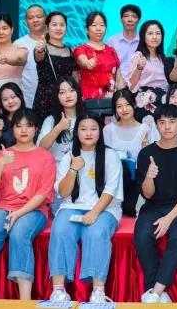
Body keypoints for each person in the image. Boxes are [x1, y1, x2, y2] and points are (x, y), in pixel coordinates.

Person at [0, 108, 56, 300]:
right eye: (19, 126)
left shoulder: (45, 156)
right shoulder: (2, 154)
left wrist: (19, 213)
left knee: (19, 234)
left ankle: (24, 301)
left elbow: (43, 194)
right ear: (12, 129)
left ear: (36, 129)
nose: (24, 130)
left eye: (29, 125)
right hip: (2, 206)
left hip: (33, 209)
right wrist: (1, 163)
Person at [48, 115, 123, 303]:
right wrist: (73, 169)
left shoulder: (111, 156)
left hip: (105, 208)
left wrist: (94, 212)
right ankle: (58, 290)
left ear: (100, 132)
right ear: (76, 133)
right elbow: (63, 192)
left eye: (93, 129)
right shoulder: (69, 157)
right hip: (72, 206)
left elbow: (110, 190)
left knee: (96, 232)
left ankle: (98, 291)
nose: (88, 133)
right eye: (83, 129)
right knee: (60, 230)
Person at [134, 104, 177, 303]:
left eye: (172, 122)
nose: (167, 127)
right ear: (156, 125)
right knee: (142, 235)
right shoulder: (146, 154)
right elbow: (147, 194)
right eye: (162, 122)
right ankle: (155, 292)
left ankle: (155, 291)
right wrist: (149, 177)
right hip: (153, 206)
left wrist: (169, 218)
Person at [38, 77, 84, 213]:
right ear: (57, 97)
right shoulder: (51, 121)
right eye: (62, 92)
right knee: (62, 212)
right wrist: (58, 128)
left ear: (78, 92)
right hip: (58, 177)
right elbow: (40, 149)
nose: (68, 95)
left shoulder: (87, 118)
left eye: (71, 90)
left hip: (84, 174)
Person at [33, 11, 77, 122]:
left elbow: (74, 78)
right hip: (45, 101)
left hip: (65, 100)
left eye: (62, 25)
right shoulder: (42, 47)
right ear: (47, 27)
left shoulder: (70, 50)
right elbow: (38, 56)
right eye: (54, 25)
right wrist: (39, 49)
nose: (58, 28)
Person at [103, 89, 151, 186]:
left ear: (134, 105)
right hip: (114, 181)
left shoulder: (145, 129)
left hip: (139, 181)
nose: (124, 109)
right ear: (115, 109)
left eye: (128, 104)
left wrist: (146, 150)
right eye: (119, 106)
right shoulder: (108, 130)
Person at [75, 11, 124, 102]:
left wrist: (123, 97)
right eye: (94, 25)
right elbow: (81, 60)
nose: (98, 28)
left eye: (102, 25)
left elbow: (119, 78)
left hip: (112, 100)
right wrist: (87, 63)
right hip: (89, 101)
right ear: (87, 29)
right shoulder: (81, 49)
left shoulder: (111, 50)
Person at [126, 20, 168, 119]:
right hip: (145, 104)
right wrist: (139, 67)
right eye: (150, 33)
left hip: (163, 103)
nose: (154, 37)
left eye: (158, 33)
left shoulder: (163, 58)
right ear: (143, 36)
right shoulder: (138, 56)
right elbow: (131, 85)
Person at [14, 4, 47, 108]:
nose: (35, 20)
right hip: (27, 100)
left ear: (46, 19)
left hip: (53, 98)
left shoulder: (54, 41)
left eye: (39, 16)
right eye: (31, 18)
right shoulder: (18, 44)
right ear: (25, 22)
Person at [0, 82, 25, 150]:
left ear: (20, 96)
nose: (10, 101)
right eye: (5, 99)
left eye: (13, 97)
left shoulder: (30, 116)